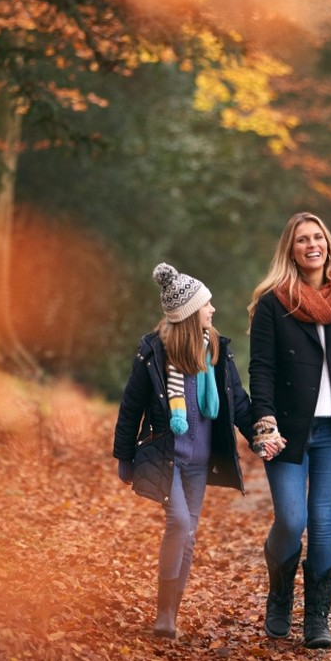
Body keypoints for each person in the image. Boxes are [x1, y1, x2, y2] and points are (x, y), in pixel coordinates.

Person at [247, 212, 331, 649]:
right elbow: (261, 367)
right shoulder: (273, 302)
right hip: (288, 429)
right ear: (291, 248)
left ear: (328, 243)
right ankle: (280, 594)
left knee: (323, 522)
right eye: (303, 239)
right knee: (292, 518)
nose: (312, 245)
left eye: (318, 237)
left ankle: (318, 620)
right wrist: (263, 418)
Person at [112, 263, 257, 639]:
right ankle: (163, 612)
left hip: (200, 462)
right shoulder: (154, 356)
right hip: (168, 457)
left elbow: (238, 403)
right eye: (206, 305)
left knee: (188, 533)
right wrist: (124, 456)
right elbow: (132, 406)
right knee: (178, 522)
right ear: (191, 314)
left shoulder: (216, 353)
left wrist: (260, 435)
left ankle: (170, 615)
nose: (213, 310)